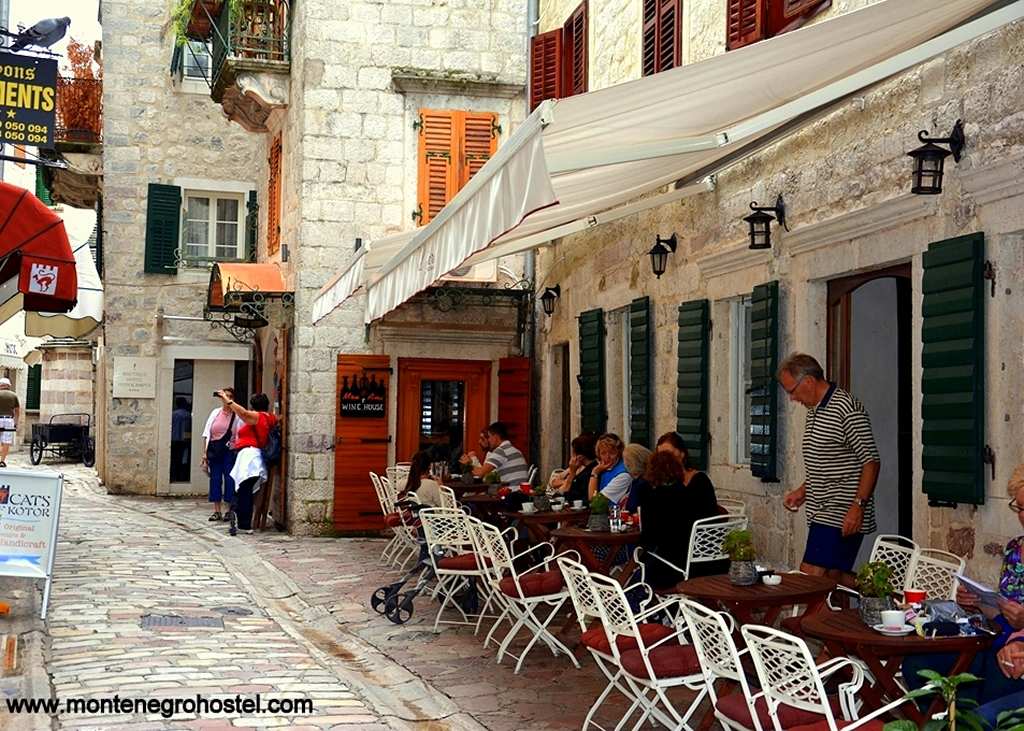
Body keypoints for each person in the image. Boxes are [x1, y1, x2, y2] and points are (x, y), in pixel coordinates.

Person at [904, 463, 1024, 710]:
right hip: (995, 638)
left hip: (1013, 650)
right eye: (1020, 508)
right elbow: (1003, 610)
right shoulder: (1015, 549)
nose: (1022, 515)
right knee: (918, 665)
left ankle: (968, 719)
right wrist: (979, 601)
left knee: (998, 679)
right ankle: (946, 720)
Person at [779, 353, 881, 585]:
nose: (792, 398)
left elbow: (871, 462)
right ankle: (884, 596)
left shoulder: (847, 409)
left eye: (792, 391)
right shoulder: (814, 410)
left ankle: (883, 595)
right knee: (833, 577)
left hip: (841, 510)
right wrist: (803, 491)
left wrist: (857, 507)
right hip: (821, 509)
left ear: (808, 381)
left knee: (809, 578)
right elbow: (828, 462)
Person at [633, 450, 720, 589]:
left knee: (639, 567)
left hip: (670, 567)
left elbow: (648, 538)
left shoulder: (652, 498)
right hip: (701, 563)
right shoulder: (688, 494)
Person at [218, 390, 276, 536]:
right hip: (252, 456)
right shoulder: (269, 417)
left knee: (245, 490)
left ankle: (243, 522)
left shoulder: (258, 417)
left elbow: (243, 413)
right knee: (245, 490)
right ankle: (239, 516)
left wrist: (227, 399)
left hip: (250, 456)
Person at [201, 387, 242, 522]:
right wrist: (204, 453)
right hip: (214, 451)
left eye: (229, 396)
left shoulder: (236, 416)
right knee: (215, 479)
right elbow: (207, 433)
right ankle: (217, 510)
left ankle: (229, 510)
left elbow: (239, 434)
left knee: (230, 479)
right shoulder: (215, 413)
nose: (226, 398)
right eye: (225, 395)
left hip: (229, 451)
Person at [460, 422, 529, 487]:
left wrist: (468, 463)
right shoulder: (516, 451)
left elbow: (480, 473)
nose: (489, 440)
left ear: (495, 437)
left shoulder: (501, 451)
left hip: (511, 491)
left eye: (489, 437)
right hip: (520, 491)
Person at [550, 433, 597, 504]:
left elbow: (563, 495)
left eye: (573, 454)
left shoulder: (587, 474)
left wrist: (572, 473)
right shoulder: (585, 469)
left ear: (580, 457)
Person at [589, 433, 632, 506]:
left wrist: (594, 473)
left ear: (619, 453)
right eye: (603, 453)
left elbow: (595, 502)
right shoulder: (605, 469)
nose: (607, 457)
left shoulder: (623, 475)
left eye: (612, 453)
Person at [170, 396, 192, 482]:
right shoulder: (188, 415)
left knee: (174, 459)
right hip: (185, 440)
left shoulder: (172, 414)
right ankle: (182, 477)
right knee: (183, 459)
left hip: (173, 439)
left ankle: (174, 477)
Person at [0, 377, 19, 468]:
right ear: (9, 386)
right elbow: (17, 410)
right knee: (6, 441)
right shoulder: (14, 395)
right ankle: (2, 461)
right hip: (9, 420)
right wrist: (16, 422)